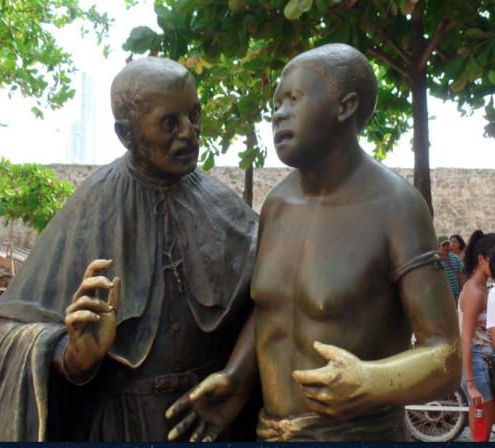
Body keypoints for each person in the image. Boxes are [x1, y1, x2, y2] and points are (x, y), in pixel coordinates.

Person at [0, 57, 258, 441]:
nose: (190, 132)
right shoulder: (91, 205)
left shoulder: (223, 206)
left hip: (205, 425)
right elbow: (4, 336)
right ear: (126, 134)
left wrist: (240, 380)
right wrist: (74, 356)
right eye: (169, 123)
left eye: (194, 115)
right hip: (119, 429)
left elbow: (274, 304)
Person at [167, 43, 461, 442]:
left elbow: (446, 356)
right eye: (276, 102)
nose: (278, 113)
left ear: (345, 107)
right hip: (270, 433)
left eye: (294, 99)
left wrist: (370, 381)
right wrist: (237, 376)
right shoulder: (277, 204)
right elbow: (274, 307)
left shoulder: (396, 206)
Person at [459, 230, 495, 441]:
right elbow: (465, 337)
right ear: (482, 259)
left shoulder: (485, 286)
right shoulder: (474, 290)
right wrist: (471, 384)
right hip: (477, 362)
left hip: (485, 360)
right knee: (481, 432)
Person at [439, 235, 464, 302]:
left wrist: (462, 293)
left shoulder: (455, 258)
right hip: (444, 297)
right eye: (444, 245)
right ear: (438, 247)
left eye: (448, 245)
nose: (446, 247)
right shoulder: (437, 261)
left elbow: (460, 278)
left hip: (456, 295)